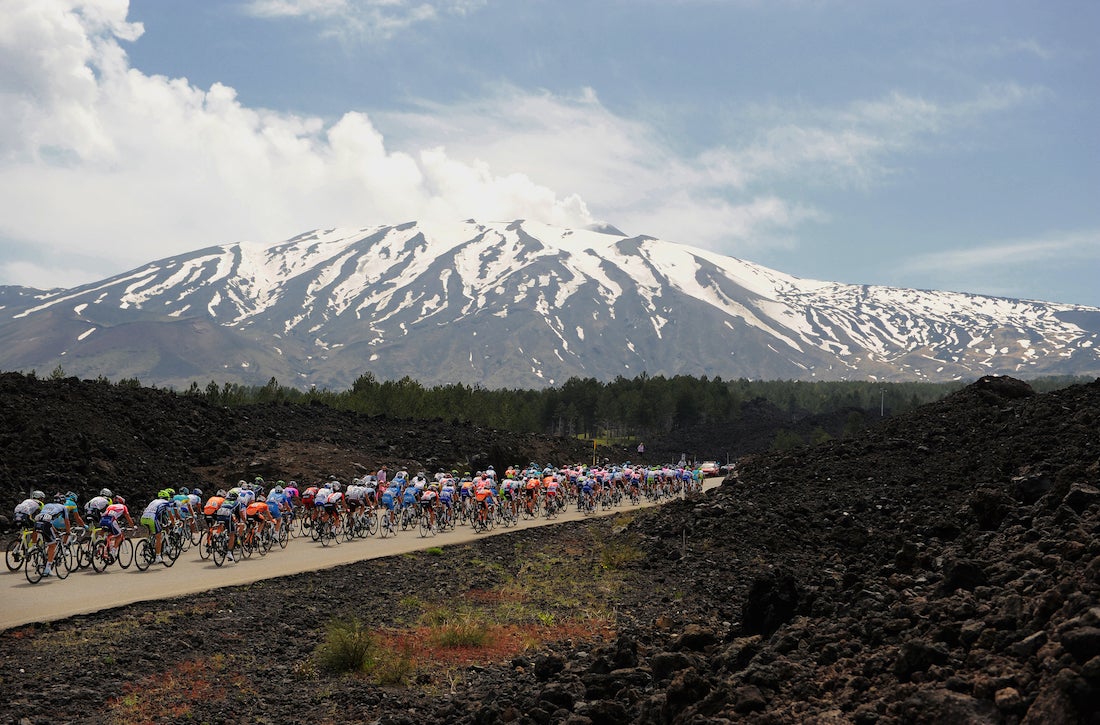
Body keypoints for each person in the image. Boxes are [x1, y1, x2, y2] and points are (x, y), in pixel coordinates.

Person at [33, 497, 70, 577]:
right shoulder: (63, 508)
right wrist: (68, 532)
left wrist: (55, 531)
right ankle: (48, 568)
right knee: (52, 545)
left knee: (47, 541)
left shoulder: (47, 505)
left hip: (37, 523)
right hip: (46, 524)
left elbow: (46, 520)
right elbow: (67, 521)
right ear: (62, 502)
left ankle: (36, 548)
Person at [140, 491, 175, 565]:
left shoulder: (154, 501)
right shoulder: (166, 503)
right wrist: (173, 523)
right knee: (158, 536)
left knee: (151, 532)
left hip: (143, 517)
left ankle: (146, 545)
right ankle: (158, 556)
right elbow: (170, 515)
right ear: (167, 498)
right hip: (152, 518)